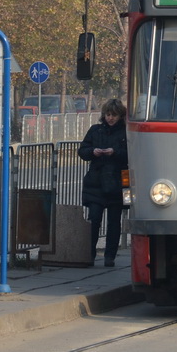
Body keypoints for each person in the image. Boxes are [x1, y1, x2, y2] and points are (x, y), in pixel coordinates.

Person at [78, 99, 129, 267]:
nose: (110, 118)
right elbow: (83, 151)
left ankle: (110, 257)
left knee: (114, 223)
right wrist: (93, 152)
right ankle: (89, 255)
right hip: (97, 182)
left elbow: (131, 154)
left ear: (120, 116)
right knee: (94, 220)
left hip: (117, 182)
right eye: (108, 114)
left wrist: (115, 152)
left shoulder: (126, 132)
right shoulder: (96, 130)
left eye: (114, 115)